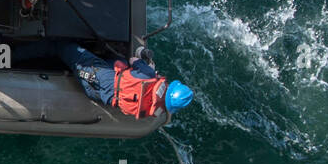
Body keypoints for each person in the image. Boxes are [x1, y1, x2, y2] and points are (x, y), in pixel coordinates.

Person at [15, 39, 194, 117]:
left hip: (100, 77)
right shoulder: (157, 112)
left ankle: (10, 55)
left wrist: (146, 66)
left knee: (60, 47)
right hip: (100, 96)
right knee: (116, 62)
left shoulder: (148, 75)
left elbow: (134, 59)